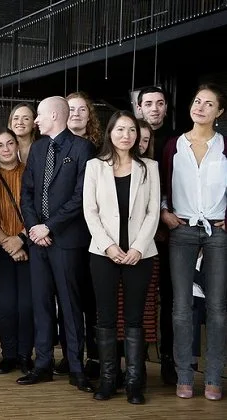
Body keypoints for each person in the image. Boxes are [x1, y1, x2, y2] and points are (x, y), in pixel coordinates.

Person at [17, 96, 95, 393]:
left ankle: (77, 368)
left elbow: (81, 197)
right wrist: (35, 229)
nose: (35, 120)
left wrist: (49, 226)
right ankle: (43, 365)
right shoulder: (37, 149)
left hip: (67, 240)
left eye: (38, 115)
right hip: (39, 241)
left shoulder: (82, 148)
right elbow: (28, 193)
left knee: (71, 307)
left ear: (53, 115)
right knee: (42, 304)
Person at [83, 110, 160, 404]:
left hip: (141, 254)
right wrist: (109, 247)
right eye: (120, 130)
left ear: (138, 135)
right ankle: (107, 379)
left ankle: (134, 383)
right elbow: (90, 210)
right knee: (105, 316)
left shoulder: (149, 167)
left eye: (131, 130)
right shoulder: (95, 166)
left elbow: (154, 211)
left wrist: (138, 247)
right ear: (110, 134)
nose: (126, 135)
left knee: (134, 318)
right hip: (104, 253)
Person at [160, 83, 226, 401]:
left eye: (208, 104)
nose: (199, 107)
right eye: (197, 101)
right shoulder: (174, 145)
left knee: (217, 308)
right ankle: (184, 375)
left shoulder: (226, 146)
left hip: (219, 232)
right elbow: (158, 183)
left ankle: (214, 376)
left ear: (220, 112)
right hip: (182, 230)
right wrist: (164, 213)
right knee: (182, 308)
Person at [55, 91, 103, 378]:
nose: (76, 113)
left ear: (89, 114)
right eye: (70, 109)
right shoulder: (52, 147)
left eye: (81, 109)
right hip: (65, 233)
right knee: (67, 300)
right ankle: (71, 354)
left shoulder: (99, 147)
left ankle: (96, 356)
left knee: (92, 299)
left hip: (95, 234)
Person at [136, 85, 177, 385]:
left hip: (171, 230)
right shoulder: (127, 137)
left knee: (171, 297)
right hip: (138, 232)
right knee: (139, 297)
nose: (154, 108)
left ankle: (168, 360)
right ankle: (135, 360)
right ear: (139, 108)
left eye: (160, 103)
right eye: (148, 103)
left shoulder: (177, 140)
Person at [0, 127, 34, 376]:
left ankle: (26, 355)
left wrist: (21, 240)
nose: (5, 149)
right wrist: (8, 243)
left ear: (17, 145)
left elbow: (39, 211)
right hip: (0, 248)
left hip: (30, 246)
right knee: (5, 306)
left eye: (9, 143)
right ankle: (9, 355)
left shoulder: (31, 173)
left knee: (27, 306)